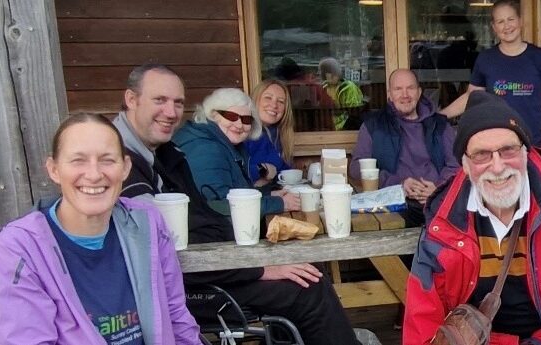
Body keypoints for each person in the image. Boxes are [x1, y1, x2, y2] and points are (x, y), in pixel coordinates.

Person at [113, 64, 362, 345]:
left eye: (178, 103)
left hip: (210, 265)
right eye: (159, 100)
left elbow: (203, 218)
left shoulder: (166, 151)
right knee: (309, 287)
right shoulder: (123, 165)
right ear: (131, 99)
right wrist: (260, 268)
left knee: (306, 270)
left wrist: (259, 257)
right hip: (191, 285)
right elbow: (163, 253)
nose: (171, 112)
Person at [403, 92, 541, 344]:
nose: (497, 167)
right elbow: (422, 320)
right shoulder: (443, 217)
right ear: (465, 165)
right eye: (481, 154)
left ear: (526, 152)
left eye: (508, 150)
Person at [0, 114, 201, 344]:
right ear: (54, 169)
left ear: (126, 168)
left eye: (107, 160)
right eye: (78, 160)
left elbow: (177, 318)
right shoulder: (17, 251)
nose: (94, 174)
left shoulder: (146, 222)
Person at [440, 0, 541, 151]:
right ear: (494, 27)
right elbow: (471, 97)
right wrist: (441, 115)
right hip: (498, 147)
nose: (507, 26)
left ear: (520, 21)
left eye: (511, 19)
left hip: (533, 146)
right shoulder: (486, 59)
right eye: (500, 21)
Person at [350, 69, 460, 226]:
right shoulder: (373, 125)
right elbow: (356, 167)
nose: (405, 95)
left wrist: (438, 189)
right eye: (398, 89)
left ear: (419, 92)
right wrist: (399, 184)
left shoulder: (440, 125)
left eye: (410, 88)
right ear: (389, 94)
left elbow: (456, 165)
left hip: (437, 204)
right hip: (394, 206)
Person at [172, 88, 301, 216]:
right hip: (213, 228)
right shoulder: (205, 148)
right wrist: (280, 204)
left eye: (246, 120)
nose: (239, 125)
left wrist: (269, 195)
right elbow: (217, 206)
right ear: (214, 115)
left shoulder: (228, 144)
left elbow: (235, 194)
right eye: (232, 116)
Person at [244, 79, 296, 189]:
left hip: (274, 194)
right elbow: (235, 171)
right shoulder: (242, 131)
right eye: (268, 97)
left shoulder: (280, 135)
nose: (274, 105)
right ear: (255, 100)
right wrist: (262, 170)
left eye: (281, 101)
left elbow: (285, 173)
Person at [319, 57, 366, 130]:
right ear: (323, 74)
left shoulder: (349, 87)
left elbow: (354, 114)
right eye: (329, 72)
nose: (333, 75)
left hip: (346, 129)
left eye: (335, 72)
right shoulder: (323, 88)